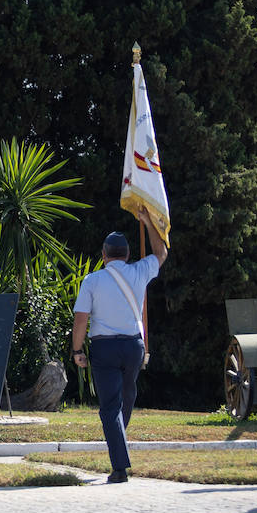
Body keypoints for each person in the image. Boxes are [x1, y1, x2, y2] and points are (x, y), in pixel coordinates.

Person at [71, 204, 168, 484]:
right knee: (128, 397)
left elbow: (81, 319)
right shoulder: (138, 272)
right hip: (134, 347)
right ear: (126, 255)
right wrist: (148, 222)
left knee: (110, 407)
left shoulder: (93, 280)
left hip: (104, 349)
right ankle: (119, 441)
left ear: (104, 256)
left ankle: (119, 467)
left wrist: (77, 351)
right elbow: (161, 253)